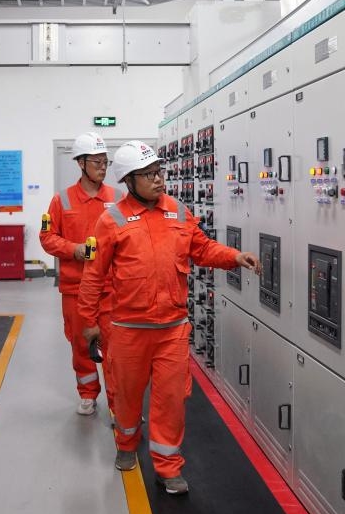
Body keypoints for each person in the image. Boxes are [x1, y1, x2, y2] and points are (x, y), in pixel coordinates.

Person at [77, 140, 260, 495]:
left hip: (172, 329)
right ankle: (126, 444)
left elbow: (202, 248)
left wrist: (234, 257)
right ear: (129, 180)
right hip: (128, 330)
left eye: (159, 172)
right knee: (127, 395)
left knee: (171, 400)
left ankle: (168, 466)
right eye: (148, 175)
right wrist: (89, 323)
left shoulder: (177, 211)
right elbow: (93, 276)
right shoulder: (111, 219)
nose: (158, 179)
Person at [40, 132, 121, 416]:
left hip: (111, 289)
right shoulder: (60, 200)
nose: (102, 167)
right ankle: (87, 394)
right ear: (81, 163)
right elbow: (47, 237)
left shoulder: (118, 198)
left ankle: (118, 403)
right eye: (97, 162)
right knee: (81, 343)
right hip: (75, 289)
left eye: (105, 162)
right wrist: (74, 250)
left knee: (115, 348)